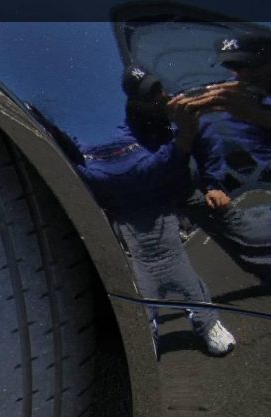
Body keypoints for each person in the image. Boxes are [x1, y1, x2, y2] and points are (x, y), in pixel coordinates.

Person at [77, 65, 236, 356]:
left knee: (186, 277)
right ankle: (145, 335)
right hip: (135, 212)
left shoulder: (177, 106)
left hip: (177, 195)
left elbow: (207, 140)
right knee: (144, 290)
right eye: (148, 95)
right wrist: (181, 143)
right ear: (132, 101)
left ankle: (207, 323)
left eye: (157, 88)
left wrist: (214, 183)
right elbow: (124, 171)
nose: (158, 97)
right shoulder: (119, 130)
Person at [168, 34, 271, 286]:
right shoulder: (221, 108)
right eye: (234, 68)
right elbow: (204, 155)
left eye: (250, 66)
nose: (242, 75)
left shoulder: (249, 104)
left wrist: (260, 115)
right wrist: (184, 134)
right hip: (241, 206)